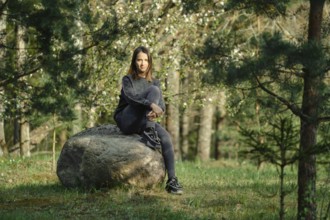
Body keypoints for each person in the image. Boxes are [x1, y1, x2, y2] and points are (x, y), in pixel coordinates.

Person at [114, 46, 183, 195]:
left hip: (144, 121)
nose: (142, 63)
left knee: (165, 137)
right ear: (134, 62)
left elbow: (162, 106)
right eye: (139, 60)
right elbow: (131, 98)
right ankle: (149, 131)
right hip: (127, 119)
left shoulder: (154, 82)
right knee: (154, 92)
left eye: (145, 60)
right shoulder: (128, 80)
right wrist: (151, 104)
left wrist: (158, 112)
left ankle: (172, 180)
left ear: (150, 62)